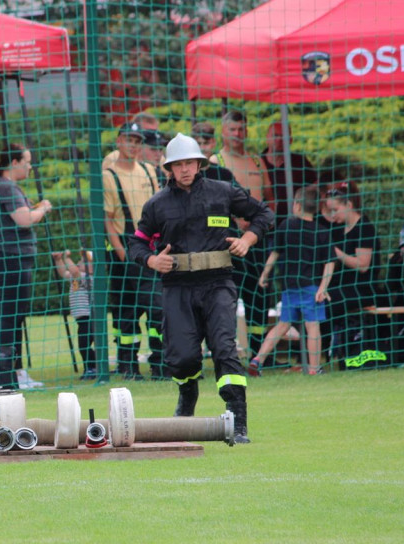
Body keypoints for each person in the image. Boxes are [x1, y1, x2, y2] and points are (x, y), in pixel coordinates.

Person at [129, 133, 274, 444]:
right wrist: (153, 261)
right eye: (177, 164)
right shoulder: (157, 204)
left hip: (218, 284)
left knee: (224, 349)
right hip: (177, 287)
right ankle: (187, 394)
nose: (184, 169)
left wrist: (247, 240)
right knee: (181, 357)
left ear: (199, 164)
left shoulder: (223, 192)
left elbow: (264, 214)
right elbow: (136, 244)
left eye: (189, 163)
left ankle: (238, 421)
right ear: (169, 167)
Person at [249, 185, 335, 376]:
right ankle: (314, 369)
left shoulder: (286, 225)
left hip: (290, 287)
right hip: (311, 288)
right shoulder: (321, 231)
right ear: (319, 209)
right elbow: (330, 263)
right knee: (312, 326)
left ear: (296, 205)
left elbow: (275, 253)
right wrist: (323, 287)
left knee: (282, 325)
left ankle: (257, 359)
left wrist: (264, 274)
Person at [0, 142, 52, 389]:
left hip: (12, 257)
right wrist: (43, 208)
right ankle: (9, 372)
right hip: (11, 258)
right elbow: (24, 220)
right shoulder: (6, 186)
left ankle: (8, 371)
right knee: (12, 315)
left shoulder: (4, 187)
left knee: (13, 315)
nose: (30, 166)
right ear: (13, 163)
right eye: (27, 161)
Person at [210, 110, 275, 358]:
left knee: (259, 294)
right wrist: (237, 222)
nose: (238, 135)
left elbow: (270, 197)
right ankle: (226, 350)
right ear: (223, 131)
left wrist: (262, 224)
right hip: (231, 241)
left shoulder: (256, 161)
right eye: (233, 130)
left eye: (242, 129)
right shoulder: (217, 162)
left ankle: (259, 354)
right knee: (227, 293)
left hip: (258, 238)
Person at [103, 122, 165, 380]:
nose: (134, 145)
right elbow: (107, 221)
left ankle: (161, 362)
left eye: (138, 141)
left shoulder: (150, 171)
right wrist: (122, 254)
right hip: (123, 253)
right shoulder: (108, 175)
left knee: (158, 308)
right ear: (119, 141)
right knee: (125, 311)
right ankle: (128, 366)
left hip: (150, 250)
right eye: (129, 139)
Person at [323, 181, 385, 369]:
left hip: (362, 289)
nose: (332, 215)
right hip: (342, 287)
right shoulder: (338, 230)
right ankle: (325, 356)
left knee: (325, 305)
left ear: (349, 205)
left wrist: (336, 253)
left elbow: (363, 265)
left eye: (335, 210)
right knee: (314, 299)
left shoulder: (364, 227)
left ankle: (328, 356)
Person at [261, 120, 319, 226]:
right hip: (265, 227)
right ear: (267, 138)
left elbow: (315, 186)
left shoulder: (300, 162)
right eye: (275, 135)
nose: (279, 140)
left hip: (296, 226)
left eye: (283, 136)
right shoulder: (256, 163)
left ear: (290, 140)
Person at [52, 249, 99, 380]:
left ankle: (93, 367)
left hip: (89, 318)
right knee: (84, 345)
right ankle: (91, 367)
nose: (79, 262)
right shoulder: (77, 278)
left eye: (84, 261)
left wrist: (67, 258)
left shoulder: (88, 278)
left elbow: (74, 271)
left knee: (84, 345)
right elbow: (64, 272)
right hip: (82, 319)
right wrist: (58, 260)